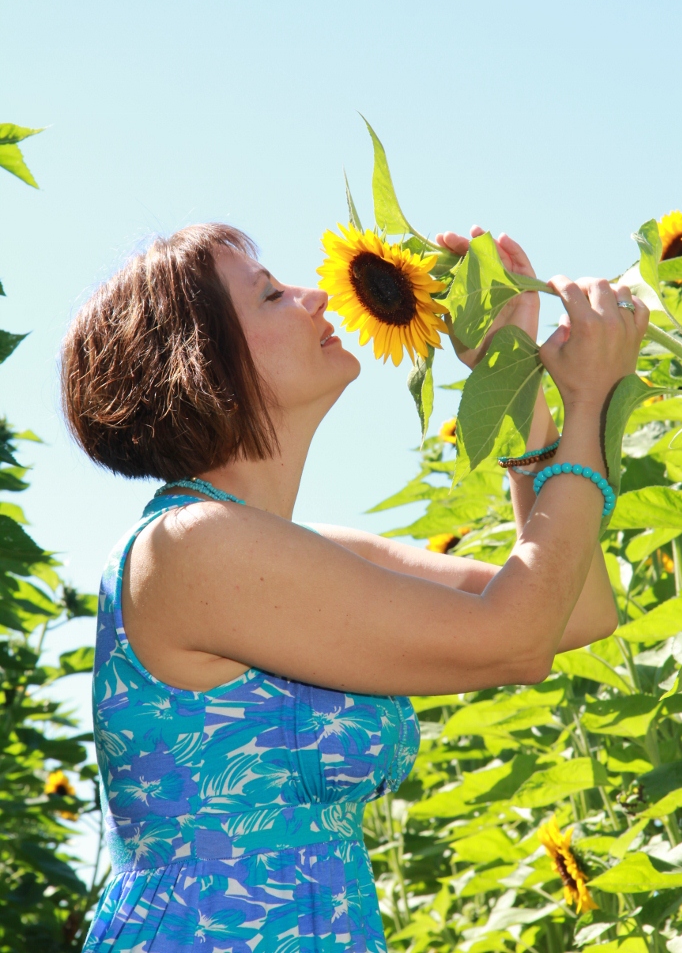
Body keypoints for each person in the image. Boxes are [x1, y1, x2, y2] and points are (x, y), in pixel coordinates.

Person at [61, 222, 647, 952]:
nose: (312, 296)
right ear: (200, 363)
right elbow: (516, 639)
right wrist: (587, 402)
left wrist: (510, 374)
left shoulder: (296, 554)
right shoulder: (192, 547)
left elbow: (571, 611)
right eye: (270, 294)